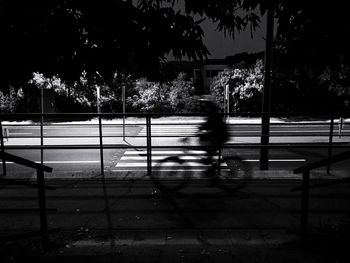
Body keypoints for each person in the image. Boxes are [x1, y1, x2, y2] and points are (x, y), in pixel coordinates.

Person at [198, 95, 228, 165]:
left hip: (220, 135)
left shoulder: (213, 111)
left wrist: (203, 129)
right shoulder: (212, 110)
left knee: (208, 144)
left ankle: (212, 164)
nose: (203, 106)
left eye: (204, 104)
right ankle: (211, 162)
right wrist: (202, 127)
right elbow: (209, 122)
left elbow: (212, 123)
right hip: (218, 133)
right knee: (205, 141)